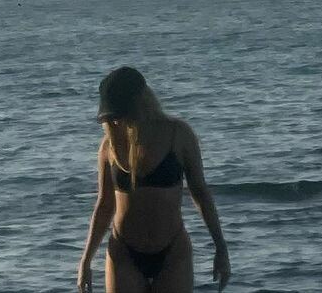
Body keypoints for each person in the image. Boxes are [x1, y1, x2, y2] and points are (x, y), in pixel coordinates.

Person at [77, 65, 231, 292]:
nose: (117, 121)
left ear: (140, 103)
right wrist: (86, 260)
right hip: (124, 252)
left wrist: (221, 248)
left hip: (173, 251)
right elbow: (104, 205)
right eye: (113, 116)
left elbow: (201, 194)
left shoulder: (178, 134)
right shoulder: (110, 146)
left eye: (121, 113)